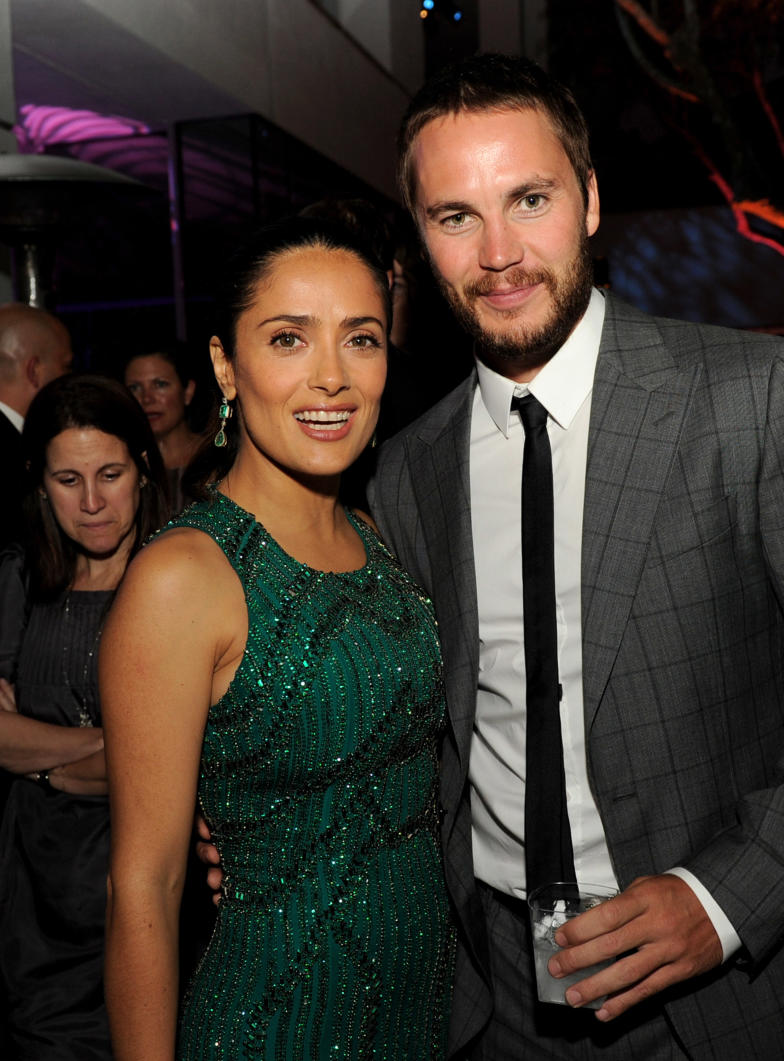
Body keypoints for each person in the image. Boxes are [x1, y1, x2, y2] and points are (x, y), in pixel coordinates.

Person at [362, 54, 784, 1059]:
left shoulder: (751, 393)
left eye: (528, 198)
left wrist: (724, 896)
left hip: (730, 998)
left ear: (588, 201)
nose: (498, 251)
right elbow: (434, 732)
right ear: (421, 239)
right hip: (498, 1001)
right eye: (456, 216)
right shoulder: (407, 472)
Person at [100, 215, 455, 1060]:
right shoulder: (184, 576)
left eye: (360, 339)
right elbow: (142, 886)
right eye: (289, 338)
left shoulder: (380, 537)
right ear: (225, 365)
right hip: (278, 1018)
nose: (331, 378)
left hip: (426, 1013)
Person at [0, 374, 166, 1059]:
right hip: (29, 905)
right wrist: (104, 744)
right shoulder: (18, 579)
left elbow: (164, 771)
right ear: (40, 483)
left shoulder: (175, 580)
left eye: (110, 474)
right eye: (68, 478)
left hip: (139, 898)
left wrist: (38, 759)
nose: (92, 501)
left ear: (144, 470)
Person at [0, 303, 74, 546]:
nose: (70, 379)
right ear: (34, 371)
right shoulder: (13, 454)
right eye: (66, 366)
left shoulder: (21, 442)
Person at [122, 343, 204, 514]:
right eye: (134, 388)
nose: (147, 399)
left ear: (187, 391)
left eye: (160, 384)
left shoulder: (220, 458)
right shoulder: (121, 467)